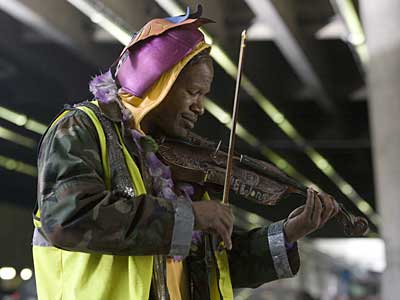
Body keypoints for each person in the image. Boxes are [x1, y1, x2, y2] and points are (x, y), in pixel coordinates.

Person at [32, 7, 339, 300]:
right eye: (193, 92)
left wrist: (286, 233)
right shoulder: (81, 128)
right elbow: (67, 219)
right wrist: (189, 216)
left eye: (203, 96)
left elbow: (210, 265)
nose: (200, 107)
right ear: (158, 82)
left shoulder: (175, 163)